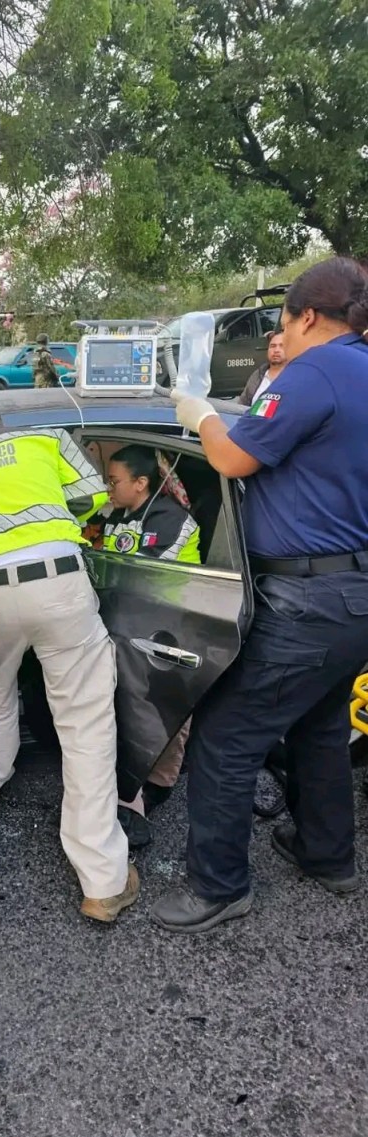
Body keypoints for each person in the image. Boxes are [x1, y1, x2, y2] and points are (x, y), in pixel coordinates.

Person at [155, 256, 368, 934]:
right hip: (353, 597)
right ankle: (325, 855)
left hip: (308, 596)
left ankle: (218, 889)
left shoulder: (311, 371)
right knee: (318, 725)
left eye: (282, 322)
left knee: (225, 736)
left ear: (305, 316)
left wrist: (198, 418)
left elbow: (232, 458)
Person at [0, 393, 138, 924]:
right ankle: (102, 884)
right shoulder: (44, 440)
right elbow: (93, 500)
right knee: (85, 723)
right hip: (57, 579)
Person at [100, 445, 200, 846]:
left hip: (169, 626)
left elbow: (141, 576)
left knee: (160, 712)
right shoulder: (119, 515)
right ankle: (129, 780)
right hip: (126, 622)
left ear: (141, 484)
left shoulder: (172, 521)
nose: (108, 488)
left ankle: (158, 783)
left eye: (113, 481)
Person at [238, 330, 287, 406]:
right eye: (273, 346)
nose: (276, 350)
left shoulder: (295, 376)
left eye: (281, 346)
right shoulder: (258, 374)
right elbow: (242, 404)